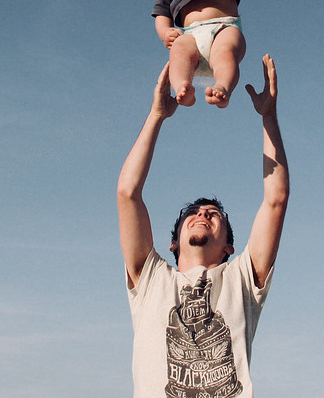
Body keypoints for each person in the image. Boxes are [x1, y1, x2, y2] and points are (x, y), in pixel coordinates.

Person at [117, 55, 289, 397]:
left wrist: (269, 117)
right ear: (173, 244)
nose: (203, 214)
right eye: (193, 213)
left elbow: (276, 199)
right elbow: (128, 193)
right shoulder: (151, 280)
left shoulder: (241, 279)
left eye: (214, 214)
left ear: (229, 247)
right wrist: (156, 116)